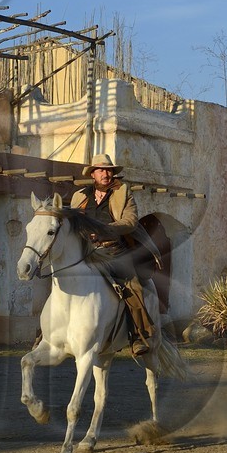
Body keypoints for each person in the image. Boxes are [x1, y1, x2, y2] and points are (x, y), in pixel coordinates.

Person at [69, 153, 156, 357]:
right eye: (101, 170)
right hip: (86, 251)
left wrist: (105, 230)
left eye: (109, 170)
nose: (105, 174)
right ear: (93, 174)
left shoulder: (123, 192)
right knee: (61, 276)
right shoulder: (79, 196)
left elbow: (130, 221)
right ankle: (48, 331)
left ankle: (138, 335)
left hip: (114, 250)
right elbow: (72, 223)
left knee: (133, 285)